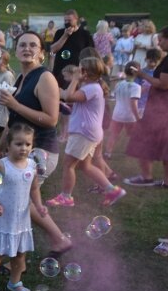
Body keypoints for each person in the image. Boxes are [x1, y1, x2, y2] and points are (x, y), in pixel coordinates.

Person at [0, 31, 71, 256]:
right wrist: (3, 144)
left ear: (41, 51)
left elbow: (51, 119)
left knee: (19, 201)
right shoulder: (22, 78)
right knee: (16, 200)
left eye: (33, 45)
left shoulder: (45, 77)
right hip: (20, 149)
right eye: (22, 45)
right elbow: (15, 119)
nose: (27, 48)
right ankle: (26, 250)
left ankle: (52, 242)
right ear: (16, 50)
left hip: (40, 151)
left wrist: (15, 105)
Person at [0, 123, 46, 291]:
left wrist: (38, 205)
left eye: (28, 144)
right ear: (8, 145)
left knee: (20, 254)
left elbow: (34, 188)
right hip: (2, 218)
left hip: (21, 221)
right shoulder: (2, 165)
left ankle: (14, 283)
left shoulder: (32, 165)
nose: (24, 148)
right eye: (19, 144)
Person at [46, 57, 127, 207]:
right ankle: (112, 190)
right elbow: (68, 97)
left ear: (85, 72)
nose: (77, 70)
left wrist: (75, 79)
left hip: (83, 132)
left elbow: (70, 96)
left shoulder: (91, 88)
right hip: (89, 131)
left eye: (79, 68)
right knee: (85, 166)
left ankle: (66, 197)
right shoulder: (93, 87)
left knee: (68, 165)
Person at [124, 25, 168, 188]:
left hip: (164, 109)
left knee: (144, 139)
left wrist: (142, 75)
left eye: (161, 39)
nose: (159, 43)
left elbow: (165, 84)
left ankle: (146, 177)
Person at [103, 61, 141, 159]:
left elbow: (117, 97)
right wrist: (138, 118)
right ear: (137, 72)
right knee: (133, 135)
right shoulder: (136, 87)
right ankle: (133, 151)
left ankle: (108, 153)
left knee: (113, 135)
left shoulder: (118, 84)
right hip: (130, 117)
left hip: (117, 114)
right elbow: (133, 103)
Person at [49, 9, 94, 88]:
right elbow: (53, 49)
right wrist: (65, 35)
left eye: (69, 20)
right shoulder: (60, 32)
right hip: (60, 70)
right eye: (65, 20)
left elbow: (90, 52)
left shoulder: (85, 34)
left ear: (76, 20)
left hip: (77, 70)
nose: (67, 22)